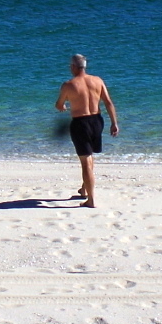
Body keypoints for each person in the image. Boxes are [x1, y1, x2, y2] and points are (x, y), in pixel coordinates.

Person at [53, 53, 118, 208]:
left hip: (80, 123)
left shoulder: (68, 85)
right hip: (97, 121)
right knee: (90, 157)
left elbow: (59, 104)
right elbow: (108, 102)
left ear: (73, 67)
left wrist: (62, 107)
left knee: (85, 161)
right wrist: (114, 123)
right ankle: (84, 189)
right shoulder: (98, 80)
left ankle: (91, 200)